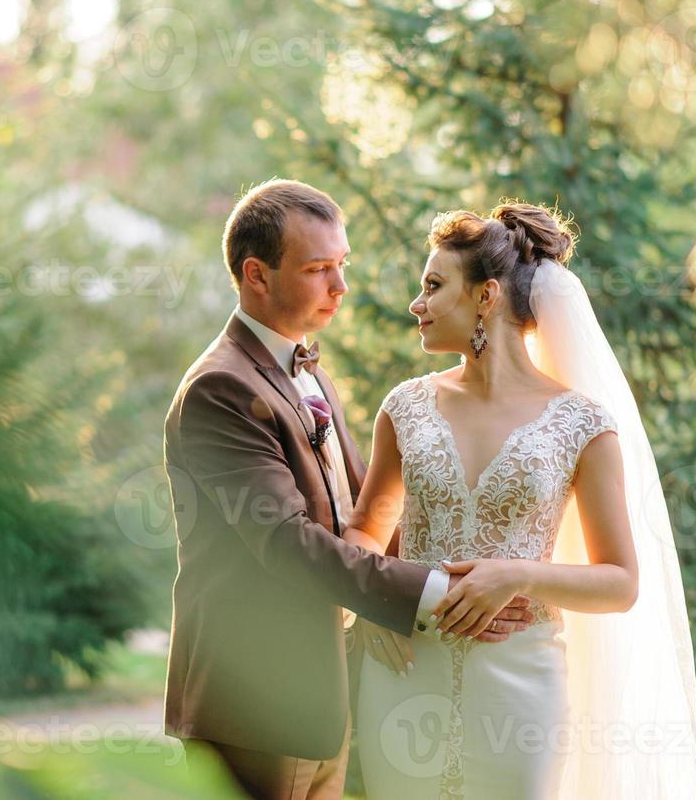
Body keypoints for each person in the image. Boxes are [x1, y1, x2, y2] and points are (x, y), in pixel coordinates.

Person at [162, 180, 534, 800]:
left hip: (318, 697)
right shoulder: (218, 390)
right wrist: (439, 595)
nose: (340, 287)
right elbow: (288, 542)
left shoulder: (305, 368)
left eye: (342, 265)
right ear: (256, 275)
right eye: (317, 269)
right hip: (254, 701)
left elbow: (357, 508)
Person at [348, 203, 696, 798]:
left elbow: (620, 581)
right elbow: (365, 529)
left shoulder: (582, 423)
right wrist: (371, 599)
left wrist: (516, 575)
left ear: (486, 296)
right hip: (402, 674)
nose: (417, 304)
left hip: (520, 688)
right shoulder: (404, 406)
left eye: (433, 286)